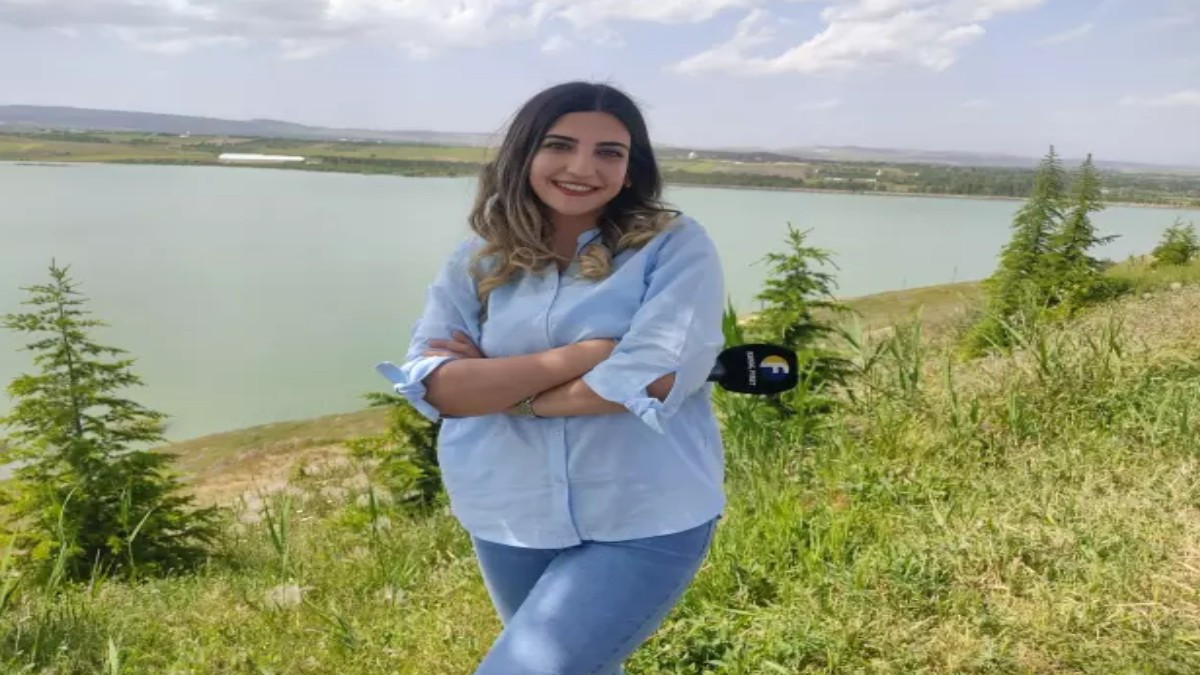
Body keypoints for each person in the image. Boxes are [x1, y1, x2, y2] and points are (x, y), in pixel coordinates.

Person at [380, 81, 727, 675]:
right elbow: (436, 387)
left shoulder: (672, 246)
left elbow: (655, 379)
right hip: (508, 512)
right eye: (559, 145)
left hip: (644, 512)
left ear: (631, 169)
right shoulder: (479, 259)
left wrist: (505, 391)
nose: (582, 167)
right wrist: (590, 354)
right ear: (525, 153)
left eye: (609, 152)